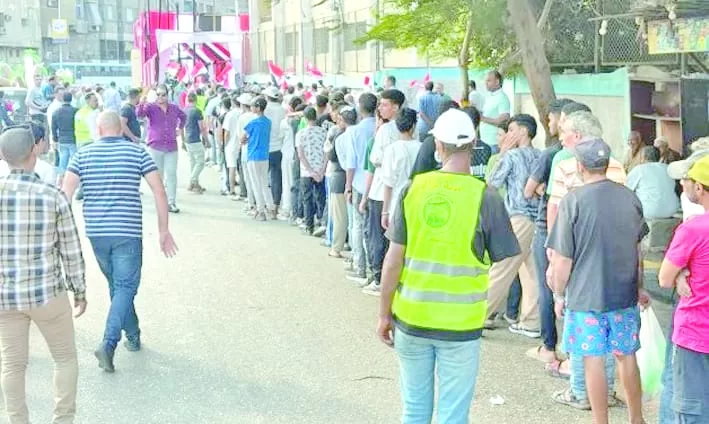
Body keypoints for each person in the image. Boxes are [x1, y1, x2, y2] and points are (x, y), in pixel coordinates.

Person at [377, 108, 520, 423]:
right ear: (474, 144)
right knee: (453, 415)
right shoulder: (486, 197)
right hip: (460, 326)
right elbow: (505, 256)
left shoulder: (413, 189)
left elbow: (393, 261)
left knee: (414, 409)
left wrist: (384, 313)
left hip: (412, 318)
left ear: (438, 147)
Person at [62, 111, 177, 373]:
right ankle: (109, 342)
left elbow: (65, 195)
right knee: (125, 287)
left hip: (97, 233)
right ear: (120, 129)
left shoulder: (83, 155)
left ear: (99, 130)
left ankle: (133, 335)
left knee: (119, 287)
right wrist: (163, 230)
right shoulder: (137, 153)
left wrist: (63, 235)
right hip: (127, 231)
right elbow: (159, 190)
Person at [547, 137, 649, 424]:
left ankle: (600, 420)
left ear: (580, 166)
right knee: (626, 356)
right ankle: (636, 418)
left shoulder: (573, 201)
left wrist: (559, 294)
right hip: (623, 293)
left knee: (593, 360)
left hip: (585, 297)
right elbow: (638, 250)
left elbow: (562, 259)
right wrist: (639, 287)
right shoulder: (629, 197)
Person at [0, 126, 87, 423]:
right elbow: (71, 249)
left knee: (12, 365)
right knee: (64, 358)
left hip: (6, 297)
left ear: (3, 156)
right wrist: (79, 290)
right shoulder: (53, 196)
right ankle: (63, 419)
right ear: (34, 151)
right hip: (47, 294)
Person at [522, 98, 574, 364]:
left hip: (547, 225)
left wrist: (543, 191)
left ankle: (549, 346)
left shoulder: (553, 154)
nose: (551, 123)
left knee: (547, 285)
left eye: (553, 119)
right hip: (577, 227)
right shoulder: (596, 155)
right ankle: (573, 349)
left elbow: (529, 190)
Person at [658, 154, 709, 424]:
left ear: (699, 188)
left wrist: (679, 274)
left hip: (696, 333)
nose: (682, 185)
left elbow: (664, 279)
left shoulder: (693, 230)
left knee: (692, 409)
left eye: (687, 180)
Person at [486, 114, 541, 337]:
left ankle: (476, 314)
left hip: (518, 216)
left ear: (523, 132)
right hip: (538, 219)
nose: (507, 135)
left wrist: (502, 153)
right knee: (532, 271)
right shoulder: (541, 155)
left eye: (511, 130)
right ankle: (532, 321)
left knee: (502, 268)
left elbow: (491, 183)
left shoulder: (512, 156)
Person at [363, 89, 406, 295]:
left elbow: (375, 159)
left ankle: (379, 278)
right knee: (393, 240)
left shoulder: (386, 130)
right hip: (399, 192)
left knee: (377, 237)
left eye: (384, 104)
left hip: (381, 190)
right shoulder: (409, 131)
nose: (380, 108)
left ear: (396, 107)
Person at [137, 84, 186, 213]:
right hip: (156, 146)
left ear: (167, 95)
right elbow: (139, 115)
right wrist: (142, 100)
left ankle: (171, 202)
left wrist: (180, 128)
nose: (160, 97)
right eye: (158, 94)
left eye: (163, 95)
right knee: (158, 176)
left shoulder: (174, 108)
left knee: (171, 174)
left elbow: (183, 117)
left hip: (171, 146)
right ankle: (161, 202)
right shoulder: (151, 107)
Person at [344, 93, 377, 282]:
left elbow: (351, 163)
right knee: (373, 228)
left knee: (358, 225)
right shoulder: (381, 128)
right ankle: (374, 269)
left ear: (360, 108)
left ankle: (360, 266)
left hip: (359, 183)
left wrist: (348, 186)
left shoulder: (354, 131)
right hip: (377, 185)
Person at [380, 107, 420, 234]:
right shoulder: (421, 148)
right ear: (413, 126)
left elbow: (388, 185)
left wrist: (385, 211)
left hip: (396, 204)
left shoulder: (391, 150)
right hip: (417, 202)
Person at [328, 105, 356, 258]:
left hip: (339, 177)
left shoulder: (339, 136)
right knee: (352, 217)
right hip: (355, 179)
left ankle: (336, 247)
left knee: (339, 216)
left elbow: (331, 156)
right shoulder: (359, 134)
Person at [242, 96, 275, 221]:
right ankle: (271, 208)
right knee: (264, 183)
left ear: (258, 108)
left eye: (253, 106)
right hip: (264, 155)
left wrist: (247, 140)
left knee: (256, 184)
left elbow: (243, 138)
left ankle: (260, 210)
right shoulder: (268, 122)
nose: (251, 108)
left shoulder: (252, 123)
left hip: (253, 155)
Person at [297, 106, 328, 235]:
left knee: (307, 198)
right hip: (320, 170)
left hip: (306, 171)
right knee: (321, 197)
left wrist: (310, 171)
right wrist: (321, 170)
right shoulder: (324, 132)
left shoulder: (301, 133)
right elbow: (327, 152)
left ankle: (309, 225)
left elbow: (301, 154)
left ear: (305, 118)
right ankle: (321, 222)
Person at [626, 145, 680, 219]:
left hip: (649, 212)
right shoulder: (668, 168)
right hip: (672, 210)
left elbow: (627, 191)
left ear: (643, 157)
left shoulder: (639, 169)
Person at [264, 87, 287, 214]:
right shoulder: (283, 110)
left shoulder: (265, 109)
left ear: (267, 97)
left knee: (263, 178)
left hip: (265, 147)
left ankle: (265, 205)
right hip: (279, 147)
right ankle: (276, 205)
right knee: (276, 178)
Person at [182, 92, 210, 193]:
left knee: (193, 162)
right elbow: (202, 127)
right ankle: (192, 180)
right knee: (201, 162)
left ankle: (195, 184)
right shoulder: (197, 111)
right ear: (196, 100)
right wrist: (207, 140)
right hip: (195, 139)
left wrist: (182, 140)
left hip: (187, 138)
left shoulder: (184, 110)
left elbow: (181, 126)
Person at [479, 70, 511, 153]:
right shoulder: (490, 97)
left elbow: (503, 121)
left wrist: (482, 118)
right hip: (485, 140)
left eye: (489, 81)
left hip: (494, 143)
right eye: (485, 81)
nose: (486, 83)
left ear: (497, 82)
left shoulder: (502, 98)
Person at [51, 92, 78, 188]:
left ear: (62, 99)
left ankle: (60, 179)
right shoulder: (75, 111)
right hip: (73, 138)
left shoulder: (56, 112)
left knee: (62, 160)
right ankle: (74, 180)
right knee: (74, 161)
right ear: (71, 99)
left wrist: (55, 139)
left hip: (62, 139)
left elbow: (53, 128)